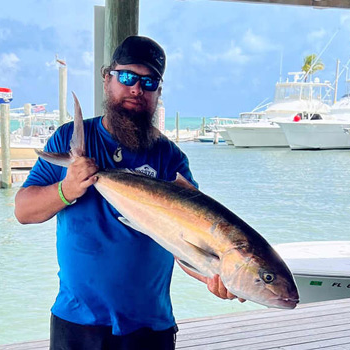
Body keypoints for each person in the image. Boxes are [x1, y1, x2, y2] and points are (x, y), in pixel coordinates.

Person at [14, 35, 242, 350]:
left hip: (148, 326)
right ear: (107, 79)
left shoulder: (170, 159)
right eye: (127, 77)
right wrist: (66, 190)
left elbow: (188, 239)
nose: (137, 88)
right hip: (78, 323)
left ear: (158, 92)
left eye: (149, 82)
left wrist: (214, 276)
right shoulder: (71, 138)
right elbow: (23, 211)